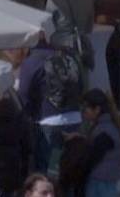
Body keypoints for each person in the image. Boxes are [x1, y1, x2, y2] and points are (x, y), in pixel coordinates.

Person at [16, 40, 81, 178]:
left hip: (48, 121)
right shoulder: (69, 57)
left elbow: (24, 94)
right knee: (72, 167)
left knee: (45, 172)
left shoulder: (31, 62)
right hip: (75, 118)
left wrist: (28, 117)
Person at [65, 89, 120, 197]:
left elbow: (91, 157)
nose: (83, 112)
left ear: (97, 109)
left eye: (85, 108)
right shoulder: (107, 127)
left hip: (100, 187)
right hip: (105, 184)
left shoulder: (104, 132)